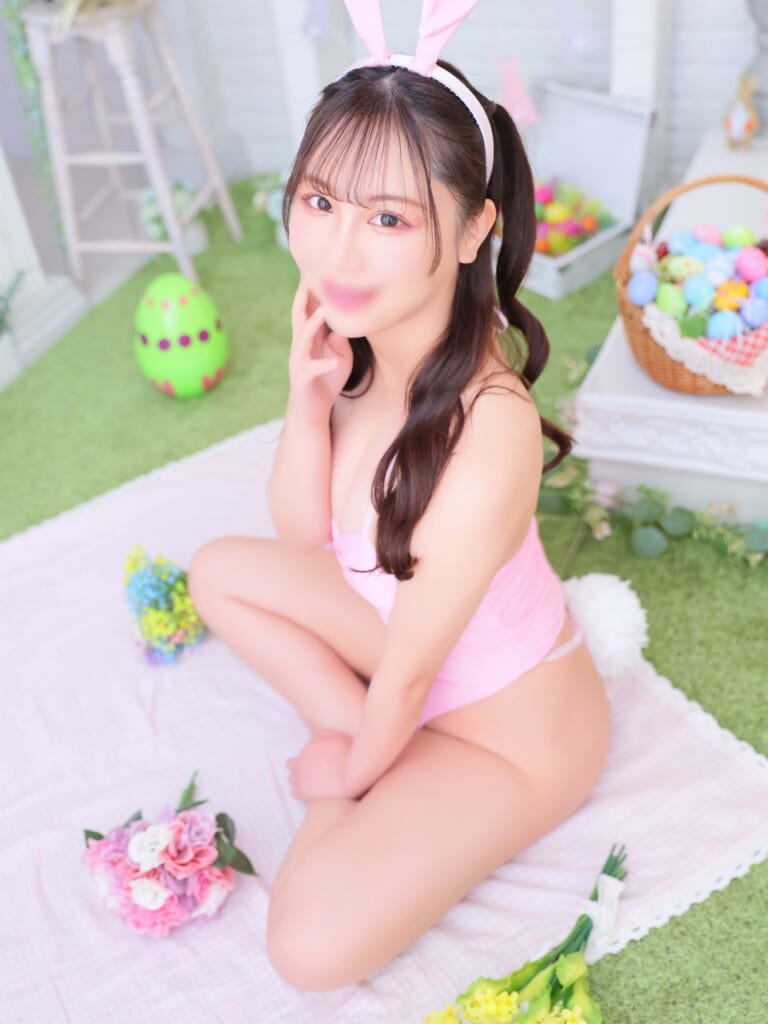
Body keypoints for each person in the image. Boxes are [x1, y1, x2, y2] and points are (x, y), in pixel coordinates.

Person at [188, 2, 610, 993]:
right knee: (218, 571)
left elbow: (417, 670)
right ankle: (359, 734)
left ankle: (365, 761)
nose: (337, 252)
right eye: (320, 201)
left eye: (388, 218)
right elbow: (303, 536)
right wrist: (308, 399)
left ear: (473, 229)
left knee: (307, 949)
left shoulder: (490, 425)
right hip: (395, 649)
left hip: (508, 731)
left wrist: (346, 779)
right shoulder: (364, 342)